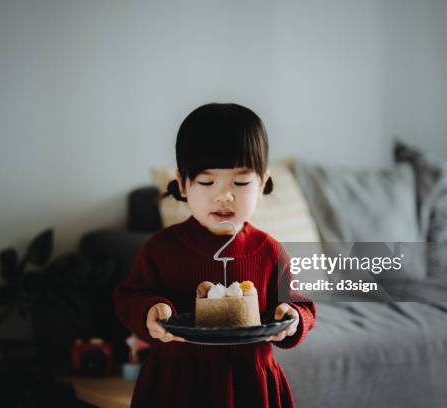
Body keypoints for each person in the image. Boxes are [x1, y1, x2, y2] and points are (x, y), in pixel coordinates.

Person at [114, 102, 316, 407]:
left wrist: (292, 319)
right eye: (207, 182)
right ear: (182, 184)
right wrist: (150, 311)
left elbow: (300, 304)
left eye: (241, 182)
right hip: (177, 385)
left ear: (262, 183)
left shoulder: (269, 250)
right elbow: (128, 296)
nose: (224, 195)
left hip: (250, 382)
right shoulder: (162, 248)